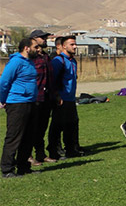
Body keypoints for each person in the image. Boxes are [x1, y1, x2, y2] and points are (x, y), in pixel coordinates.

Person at [1, 38, 41, 178]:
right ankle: (7, 169)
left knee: (28, 137)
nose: (38, 49)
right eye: (36, 47)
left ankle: (24, 167)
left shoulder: (30, 62)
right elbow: (4, 82)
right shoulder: (16, 62)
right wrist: (2, 100)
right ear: (26, 48)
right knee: (14, 137)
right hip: (17, 104)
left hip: (30, 102)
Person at [48, 35, 83, 158]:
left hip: (71, 98)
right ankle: (53, 151)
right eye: (72, 44)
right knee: (57, 125)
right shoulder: (58, 61)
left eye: (75, 44)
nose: (75, 46)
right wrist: (57, 96)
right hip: (61, 99)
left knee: (72, 124)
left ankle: (71, 149)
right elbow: (52, 80)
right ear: (64, 46)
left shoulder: (73, 61)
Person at [28, 29, 57, 165]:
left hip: (46, 97)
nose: (45, 39)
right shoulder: (29, 57)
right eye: (42, 38)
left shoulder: (45, 56)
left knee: (41, 128)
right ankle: (27, 155)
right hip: (34, 97)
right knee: (30, 128)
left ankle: (40, 154)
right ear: (34, 39)